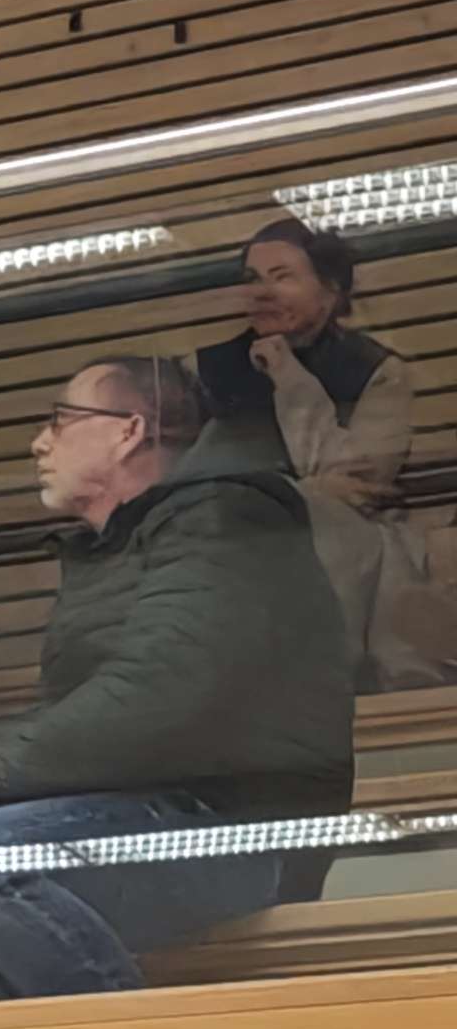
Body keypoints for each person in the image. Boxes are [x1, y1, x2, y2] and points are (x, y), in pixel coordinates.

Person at [0, 358, 355, 996]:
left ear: (129, 431)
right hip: (139, 815)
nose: (38, 443)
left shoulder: (227, 515)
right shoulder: (128, 545)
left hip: (239, 832)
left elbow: (162, 686)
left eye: (60, 421)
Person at [196, 217, 444, 686]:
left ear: (329, 293)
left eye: (282, 277)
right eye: (253, 279)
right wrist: (299, 490)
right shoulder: (207, 372)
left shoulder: (375, 371)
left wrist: (287, 376)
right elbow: (190, 488)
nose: (262, 292)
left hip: (337, 567)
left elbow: (359, 486)